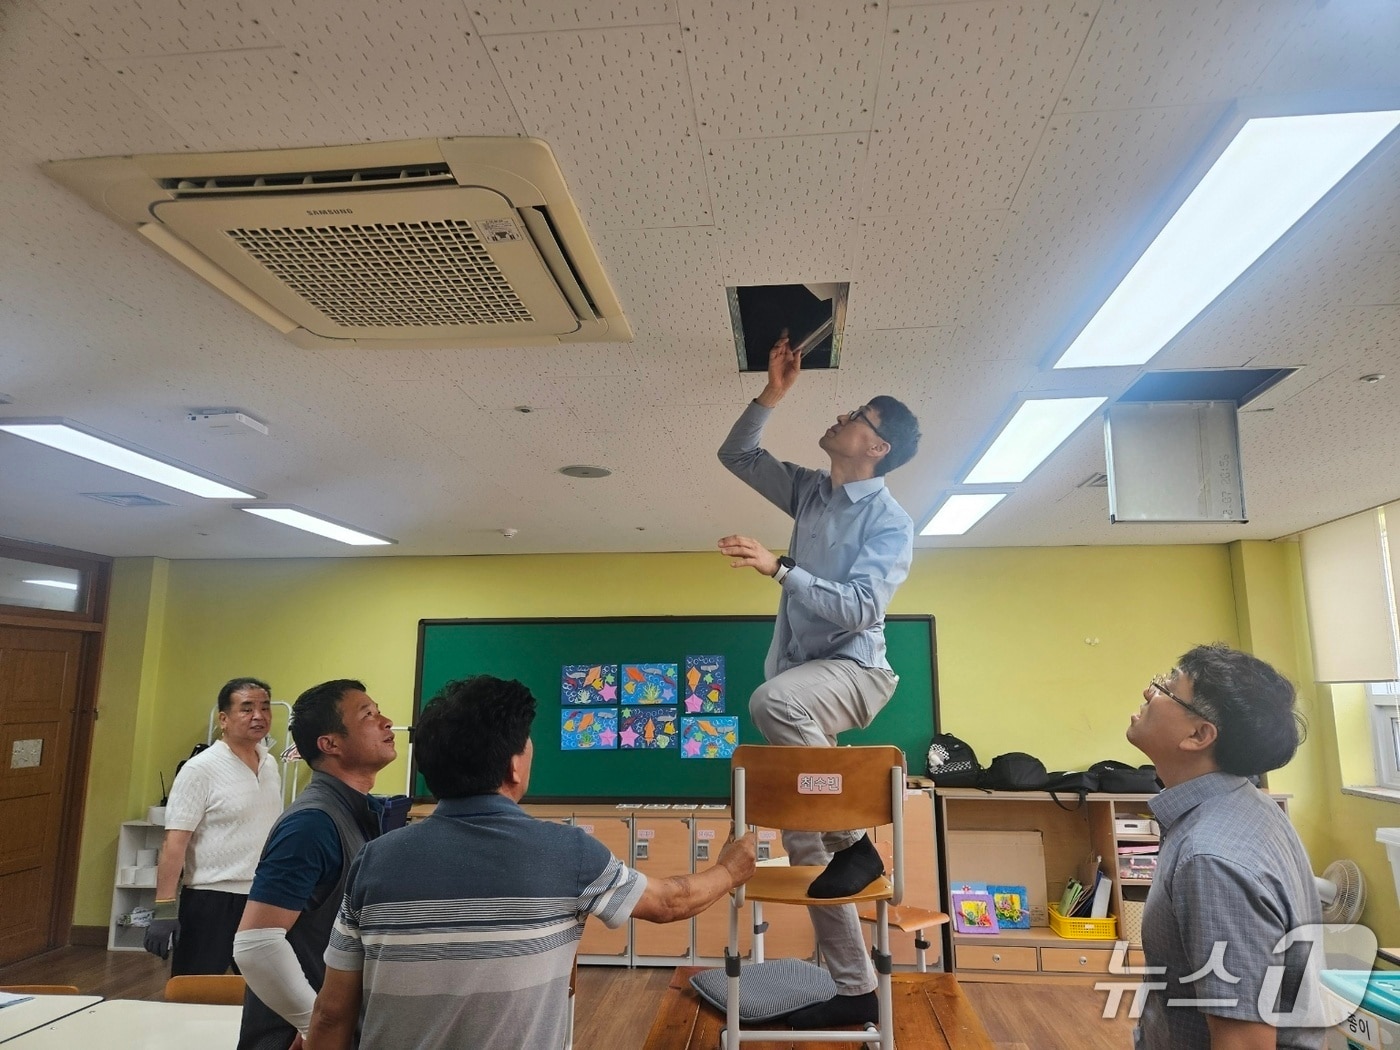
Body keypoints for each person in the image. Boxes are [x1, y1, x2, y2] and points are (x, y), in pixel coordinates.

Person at [305, 675, 756, 1050]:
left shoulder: (375, 860)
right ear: (513, 769)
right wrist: (731, 868)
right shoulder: (566, 852)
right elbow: (670, 903)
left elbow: (330, 1015)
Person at [716, 331, 920, 1029]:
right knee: (808, 846)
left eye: (858, 415)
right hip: (810, 681)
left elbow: (863, 607)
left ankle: (859, 843)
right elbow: (736, 454)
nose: (842, 416)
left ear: (878, 447)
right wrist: (773, 393)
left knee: (771, 699)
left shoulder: (890, 523)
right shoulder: (809, 492)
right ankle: (854, 988)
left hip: (858, 675)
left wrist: (780, 568)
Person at [1127, 644, 1325, 1050]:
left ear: (1199, 735)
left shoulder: (1211, 858)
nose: (1151, 692)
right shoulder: (1245, 804)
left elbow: (1245, 1042)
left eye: (1167, 686)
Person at [233, 679, 397, 1050]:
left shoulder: (352, 811)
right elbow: (256, 945)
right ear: (330, 743)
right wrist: (317, 1027)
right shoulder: (312, 823)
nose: (386, 722)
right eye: (368, 715)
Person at [144, 676, 283, 975]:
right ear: (224, 718)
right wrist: (165, 907)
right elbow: (175, 842)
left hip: (261, 896)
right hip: (211, 899)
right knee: (195, 995)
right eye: (246, 708)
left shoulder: (269, 764)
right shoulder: (200, 769)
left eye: (265, 708)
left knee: (262, 998)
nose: (258, 716)